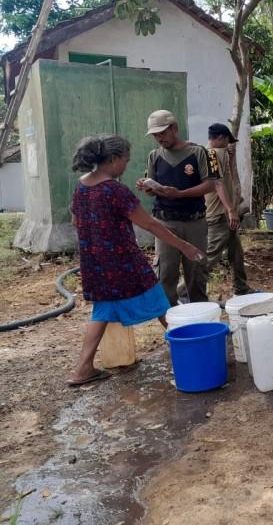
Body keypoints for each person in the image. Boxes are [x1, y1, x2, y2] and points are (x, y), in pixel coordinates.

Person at [68, 135, 204, 386]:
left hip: (94, 262)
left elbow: (76, 221)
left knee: (102, 310)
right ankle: (192, 351)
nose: (126, 166)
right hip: (123, 261)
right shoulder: (115, 190)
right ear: (113, 159)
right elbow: (151, 224)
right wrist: (183, 245)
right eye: (125, 161)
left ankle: (82, 369)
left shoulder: (81, 186)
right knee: (160, 303)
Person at [136, 110, 219, 305]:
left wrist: (179, 194)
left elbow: (210, 185)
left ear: (174, 128)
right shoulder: (154, 156)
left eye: (162, 133)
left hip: (194, 222)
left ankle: (200, 316)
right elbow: (151, 188)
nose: (159, 138)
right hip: (165, 222)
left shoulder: (199, 153)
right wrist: (147, 187)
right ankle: (171, 320)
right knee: (165, 273)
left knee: (197, 272)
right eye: (155, 135)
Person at [204, 123, 257, 295]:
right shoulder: (215, 153)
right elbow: (218, 183)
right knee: (211, 256)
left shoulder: (211, 153)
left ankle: (241, 288)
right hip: (220, 214)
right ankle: (185, 290)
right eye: (227, 140)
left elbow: (229, 181)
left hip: (224, 213)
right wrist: (231, 209)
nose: (229, 145)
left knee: (236, 254)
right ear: (220, 138)